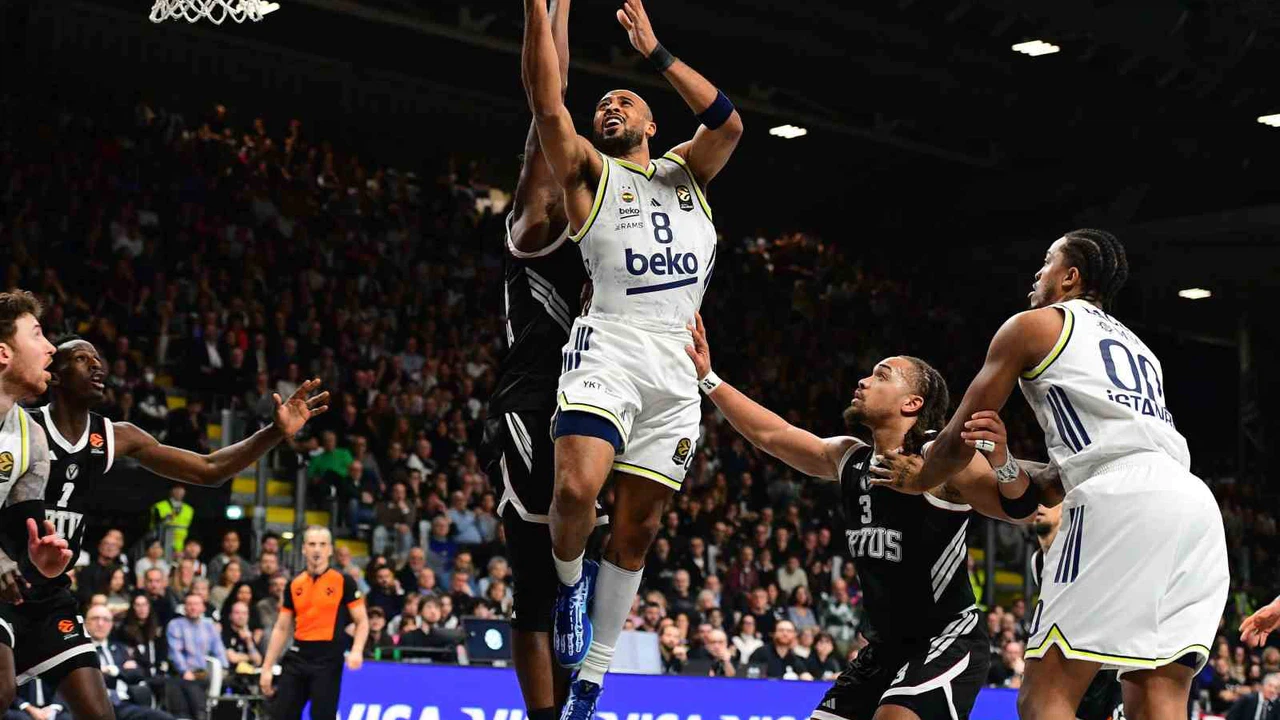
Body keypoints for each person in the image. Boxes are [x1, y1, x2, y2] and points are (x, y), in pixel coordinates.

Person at [871, 230, 1230, 720]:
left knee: (1045, 700)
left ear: (1070, 276)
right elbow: (1061, 475)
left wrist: (919, 478)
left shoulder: (1032, 326)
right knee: (1157, 701)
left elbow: (961, 433)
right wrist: (1005, 462)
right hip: (1193, 505)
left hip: (1118, 499)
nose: (1037, 274)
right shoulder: (1142, 351)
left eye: (1046, 262)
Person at [521, 0, 744, 713]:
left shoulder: (689, 173)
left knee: (638, 530)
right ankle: (568, 589)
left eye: (626, 100)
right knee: (573, 492)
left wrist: (654, 51)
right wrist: (536, 11)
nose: (609, 106)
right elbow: (547, 104)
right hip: (610, 346)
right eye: (603, 104)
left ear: (653, 124)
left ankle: (594, 675)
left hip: (676, 365)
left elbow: (728, 122)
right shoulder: (589, 174)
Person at [686, 313, 1043, 720]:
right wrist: (708, 379)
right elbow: (773, 434)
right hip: (884, 649)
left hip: (946, 639)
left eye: (881, 376)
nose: (864, 381)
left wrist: (1003, 461)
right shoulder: (849, 458)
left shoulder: (938, 460)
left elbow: (1019, 511)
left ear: (912, 403)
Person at [9, 334, 326, 718]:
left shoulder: (114, 436)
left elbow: (210, 469)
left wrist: (274, 432)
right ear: (55, 376)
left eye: (97, 358)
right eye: (80, 358)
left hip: (50, 596)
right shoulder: (21, 428)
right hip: (6, 584)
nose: (96, 365)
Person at [0, 291, 84, 711]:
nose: (51, 347)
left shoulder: (30, 436)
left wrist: (38, 561)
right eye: (37, 334)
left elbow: (21, 532)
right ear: (3, 353)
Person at [259, 527, 368, 720]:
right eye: (312, 544)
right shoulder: (294, 584)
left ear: (330, 550)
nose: (317, 549)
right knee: (280, 714)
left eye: (322, 544)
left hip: (328, 660)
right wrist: (267, 667)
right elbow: (281, 628)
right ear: (304, 549)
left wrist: (357, 650)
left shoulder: (344, 581)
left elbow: (362, 621)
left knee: (322, 716)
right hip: (298, 656)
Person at [84, 604, 172, 720]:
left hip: (122, 704)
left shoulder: (120, 649)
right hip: (92, 707)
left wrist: (114, 670)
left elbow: (137, 674)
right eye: (95, 618)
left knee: (163, 717)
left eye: (106, 619)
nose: (100, 623)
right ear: (85, 623)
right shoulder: (80, 652)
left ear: (111, 624)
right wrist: (121, 670)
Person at [165, 594, 227, 720]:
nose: (193, 608)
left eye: (197, 604)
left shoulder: (209, 625)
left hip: (205, 673)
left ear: (203, 608)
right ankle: (199, 716)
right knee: (187, 685)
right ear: (184, 608)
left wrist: (224, 667)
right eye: (190, 604)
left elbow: (218, 648)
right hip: (183, 673)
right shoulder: (175, 625)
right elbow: (175, 652)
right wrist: (185, 671)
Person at [150, 485, 193, 559]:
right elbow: (154, 528)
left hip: (180, 551)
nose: (179, 491)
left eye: (182, 489)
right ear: (171, 490)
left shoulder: (189, 510)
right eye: (177, 488)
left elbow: (189, 531)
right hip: (160, 547)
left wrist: (184, 551)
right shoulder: (159, 506)